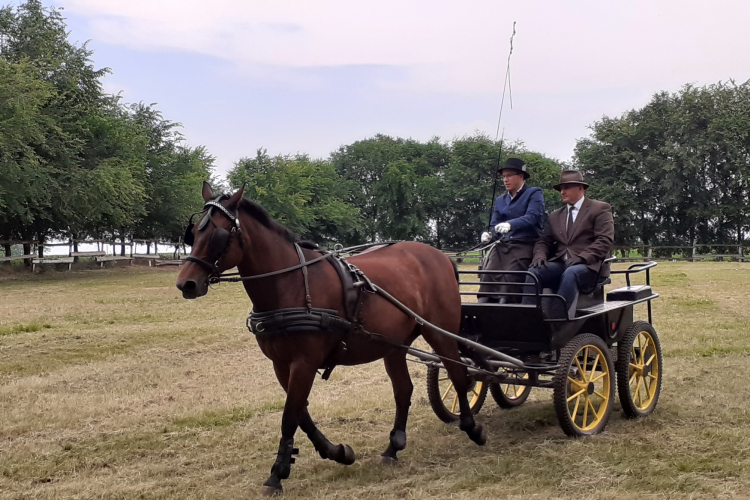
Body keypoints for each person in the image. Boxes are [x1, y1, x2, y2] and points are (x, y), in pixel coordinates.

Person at [522, 170, 614, 318]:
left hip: (589, 266)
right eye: (561, 189)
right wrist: (539, 255)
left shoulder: (600, 209)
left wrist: (582, 258)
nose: (562, 192)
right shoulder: (555, 215)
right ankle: (527, 318)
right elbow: (543, 240)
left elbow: (604, 240)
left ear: (580, 188)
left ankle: (557, 320)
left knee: (571, 273)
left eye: (566, 188)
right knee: (534, 272)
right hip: (562, 263)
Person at [477, 158, 545, 303]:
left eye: (509, 176)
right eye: (503, 176)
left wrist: (511, 224)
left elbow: (533, 217)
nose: (505, 180)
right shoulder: (500, 200)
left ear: (521, 176)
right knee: (487, 274)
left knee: (510, 275)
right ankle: (482, 309)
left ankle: (506, 308)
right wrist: (489, 235)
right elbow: (494, 224)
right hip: (503, 246)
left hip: (525, 244)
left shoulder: (534, 193)